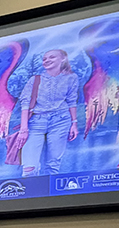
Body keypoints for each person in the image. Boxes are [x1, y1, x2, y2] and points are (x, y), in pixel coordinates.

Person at [15, 48, 80, 177]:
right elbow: (25, 104)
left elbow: (72, 101)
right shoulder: (35, 79)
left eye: (52, 57)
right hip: (36, 122)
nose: (47, 60)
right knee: (29, 167)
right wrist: (24, 129)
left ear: (63, 59)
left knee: (53, 164)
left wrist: (74, 123)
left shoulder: (71, 77)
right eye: (44, 59)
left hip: (61, 120)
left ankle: (51, 196)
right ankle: (29, 195)